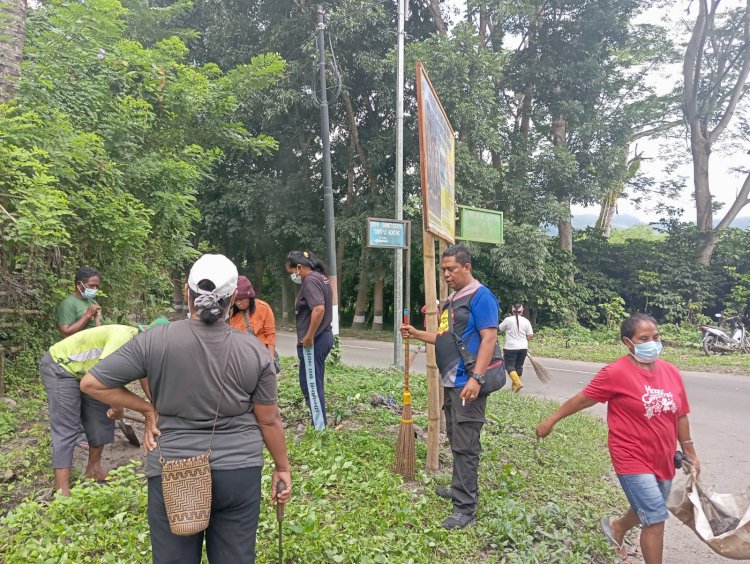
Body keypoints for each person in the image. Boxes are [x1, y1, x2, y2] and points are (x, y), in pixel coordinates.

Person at [81, 254, 291, 564]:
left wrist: (147, 409)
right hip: (238, 471)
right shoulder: (254, 350)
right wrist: (282, 467)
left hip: (174, 469)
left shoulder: (153, 341)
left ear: (186, 291)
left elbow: (91, 384)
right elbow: (269, 420)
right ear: (233, 298)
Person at [535, 313, 700, 564]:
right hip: (630, 455)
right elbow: (582, 399)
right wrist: (551, 420)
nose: (652, 343)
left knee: (648, 505)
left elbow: (680, 415)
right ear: (628, 342)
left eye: (655, 337)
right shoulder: (615, 372)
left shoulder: (671, 373)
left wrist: (691, 452)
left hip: (663, 456)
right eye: (643, 338)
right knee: (655, 517)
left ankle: (617, 527)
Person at [401, 244, 502, 530]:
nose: (445, 274)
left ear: (466, 267)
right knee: (457, 440)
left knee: (467, 445)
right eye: (443, 269)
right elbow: (446, 338)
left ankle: (465, 507)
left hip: (467, 383)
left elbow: (489, 339)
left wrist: (476, 378)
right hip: (452, 383)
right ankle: (459, 489)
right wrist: (417, 333)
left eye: (451, 269)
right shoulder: (455, 298)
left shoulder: (481, 297)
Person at [40, 319, 167, 495]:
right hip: (62, 366)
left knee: (100, 419)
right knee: (67, 426)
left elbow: (145, 379)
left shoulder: (143, 347)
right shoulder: (123, 339)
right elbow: (103, 380)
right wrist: (123, 407)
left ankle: (94, 470)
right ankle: (62, 489)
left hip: (90, 373)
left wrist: (156, 406)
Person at [284, 250, 333, 429]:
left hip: (316, 340)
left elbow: (318, 309)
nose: (293, 276)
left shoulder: (310, 280)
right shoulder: (321, 277)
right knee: (311, 381)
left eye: (291, 273)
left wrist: (309, 336)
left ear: (299, 267)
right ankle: (318, 423)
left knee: (311, 383)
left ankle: (320, 428)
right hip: (323, 336)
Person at [228, 275, 278, 372]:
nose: (238, 303)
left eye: (241, 299)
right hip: (241, 360)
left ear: (249, 296)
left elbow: (270, 336)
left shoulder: (264, 308)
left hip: (262, 359)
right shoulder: (232, 313)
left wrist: (271, 361)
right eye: (236, 300)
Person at [58, 266, 103, 338]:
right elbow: (65, 332)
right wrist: (87, 315)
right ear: (79, 284)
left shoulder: (93, 303)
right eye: (91, 286)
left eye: (97, 286)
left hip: (94, 347)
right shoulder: (68, 304)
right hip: (77, 348)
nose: (95, 289)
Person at [498, 303, 533, 393]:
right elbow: (530, 335)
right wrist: (524, 342)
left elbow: (500, 329)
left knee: (509, 367)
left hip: (510, 347)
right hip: (523, 348)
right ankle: (514, 389)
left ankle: (517, 382)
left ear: (513, 311)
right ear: (522, 311)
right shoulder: (526, 321)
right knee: (518, 367)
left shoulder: (508, 320)